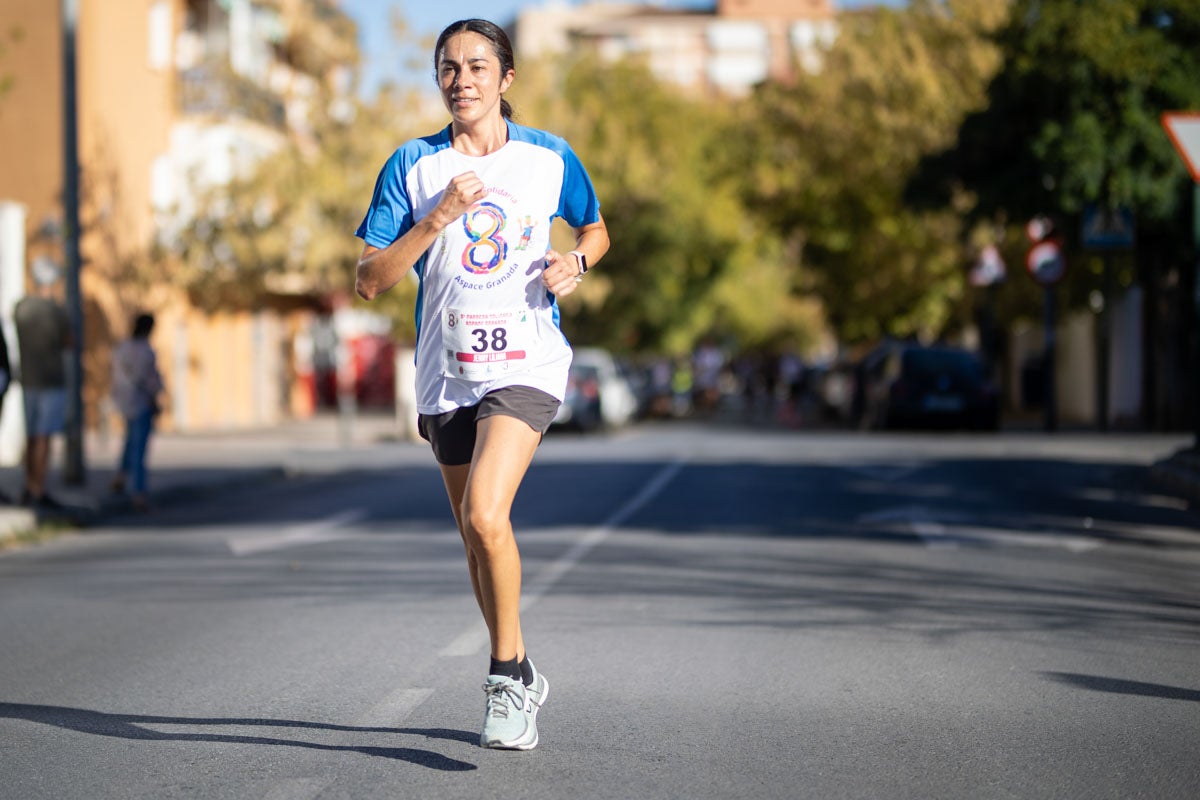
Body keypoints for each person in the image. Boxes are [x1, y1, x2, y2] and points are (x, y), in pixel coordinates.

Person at [354, 18, 609, 751]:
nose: (460, 78)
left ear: (506, 79)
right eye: (447, 67)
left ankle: (503, 679)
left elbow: (595, 229)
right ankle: (524, 669)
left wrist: (577, 264)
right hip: (446, 374)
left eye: (475, 66)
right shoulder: (413, 164)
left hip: (526, 364)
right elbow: (370, 280)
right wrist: (435, 219)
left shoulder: (548, 159)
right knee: (472, 532)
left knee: (488, 515)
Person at [13, 257, 73, 508]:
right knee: (44, 437)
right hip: (50, 381)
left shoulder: (21, 307)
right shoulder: (55, 311)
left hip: (28, 379)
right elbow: (69, 342)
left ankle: (29, 486)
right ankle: (38, 488)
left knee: (31, 435)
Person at [109, 313, 163, 512]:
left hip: (124, 401)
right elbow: (147, 380)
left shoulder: (121, 348)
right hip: (140, 402)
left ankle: (120, 478)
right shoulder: (146, 351)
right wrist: (155, 400)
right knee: (139, 448)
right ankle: (139, 492)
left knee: (130, 441)